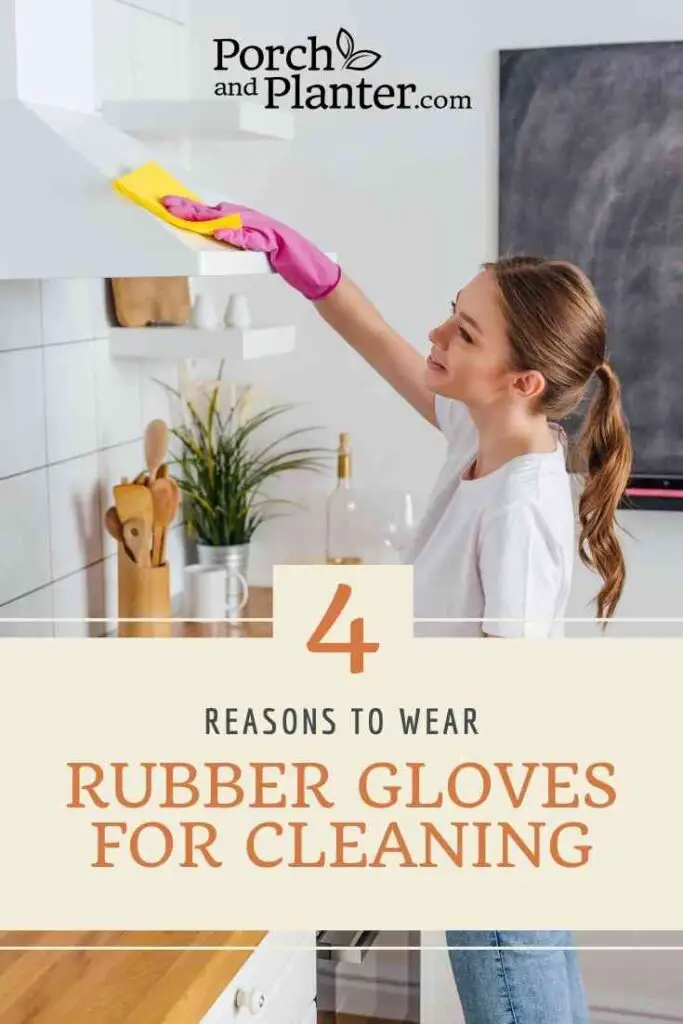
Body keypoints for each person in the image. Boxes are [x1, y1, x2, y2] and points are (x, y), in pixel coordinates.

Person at [162, 195, 633, 1022]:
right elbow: (378, 340)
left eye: (464, 332)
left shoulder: (519, 503)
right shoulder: (487, 435)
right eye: (452, 314)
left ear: (520, 381)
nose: (436, 336)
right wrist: (289, 252)